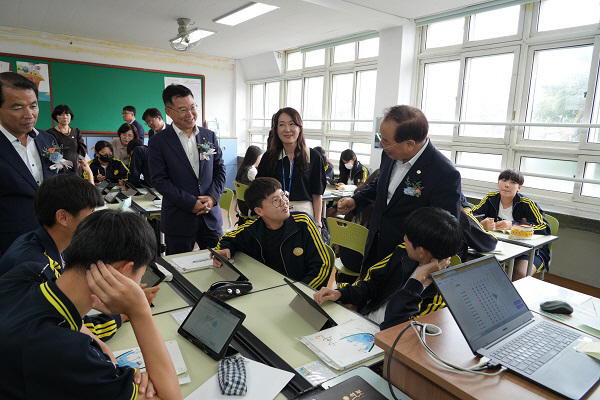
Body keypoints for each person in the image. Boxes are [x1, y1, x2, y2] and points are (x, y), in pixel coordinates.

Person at [0, 210, 181, 400]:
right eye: (139, 276)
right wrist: (139, 311)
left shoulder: (32, 272)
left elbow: (78, 326)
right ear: (122, 271)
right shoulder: (69, 353)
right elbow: (170, 397)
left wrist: (104, 354)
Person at [337, 105, 462, 279]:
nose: (381, 144)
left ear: (410, 144)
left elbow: (445, 229)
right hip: (375, 243)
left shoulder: (443, 173)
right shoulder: (389, 154)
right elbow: (381, 186)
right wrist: (357, 200)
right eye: (380, 137)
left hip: (407, 258)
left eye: (386, 141)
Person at [314, 207, 463, 330]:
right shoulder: (402, 253)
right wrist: (340, 293)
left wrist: (417, 282)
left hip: (386, 340)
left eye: (408, 237)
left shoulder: (443, 292)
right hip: (363, 322)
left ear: (422, 251)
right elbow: (371, 284)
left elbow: (399, 328)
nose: (404, 238)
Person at [148, 84, 226, 255]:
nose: (190, 114)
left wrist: (212, 197)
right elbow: (159, 180)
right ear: (168, 111)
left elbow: (220, 170)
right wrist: (190, 203)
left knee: (220, 265)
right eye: (183, 109)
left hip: (210, 217)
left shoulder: (209, 135)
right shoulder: (158, 141)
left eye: (192, 107)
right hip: (179, 219)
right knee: (178, 270)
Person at [213, 178, 331, 289]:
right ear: (259, 211)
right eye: (275, 200)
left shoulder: (303, 223)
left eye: (283, 195)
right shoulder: (253, 229)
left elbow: (323, 264)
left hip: (298, 291)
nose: (284, 202)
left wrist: (300, 290)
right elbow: (228, 238)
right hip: (266, 289)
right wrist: (225, 249)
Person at [0, 72, 64, 254]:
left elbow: (59, 174)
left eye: (33, 106)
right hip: (10, 246)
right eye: (17, 107)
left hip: (55, 240)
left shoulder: (48, 140)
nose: (29, 114)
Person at [471, 169, 551, 280]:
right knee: (482, 269)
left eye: (513, 182)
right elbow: (471, 215)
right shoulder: (491, 198)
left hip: (528, 250)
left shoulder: (527, 204)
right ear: (498, 183)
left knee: (520, 275)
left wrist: (513, 225)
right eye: (504, 180)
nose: (507, 185)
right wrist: (481, 223)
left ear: (519, 188)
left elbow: (545, 228)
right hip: (498, 246)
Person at [257, 108, 326, 228]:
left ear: (299, 128)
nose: (287, 129)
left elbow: (317, 195)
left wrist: (318, 223)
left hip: (304, 215)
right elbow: (260, 190)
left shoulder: (313, 157)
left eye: (292, 124)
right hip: (275, 215)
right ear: (276, 129)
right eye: (282, 124)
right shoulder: (269, 157)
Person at [46, 104, 87, 175]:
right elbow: (50, 150)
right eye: (61, 115)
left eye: (67, 115)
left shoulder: (76, 131)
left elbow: (82, 148)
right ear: (56, 117)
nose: (65, 117)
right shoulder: (50, 133)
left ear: (71, 116)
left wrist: (80, 160)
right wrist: (60, 161)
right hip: (59, 166)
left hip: (76, 164)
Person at [235, 145, 262, 223]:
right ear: (256, 157)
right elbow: (260, 186)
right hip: (250, 207)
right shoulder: (251, 171)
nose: (260, 159)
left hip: (242, 205)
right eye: (260, 157)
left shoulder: (243, 168)